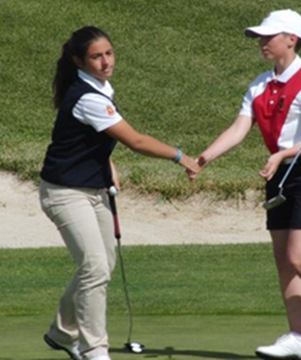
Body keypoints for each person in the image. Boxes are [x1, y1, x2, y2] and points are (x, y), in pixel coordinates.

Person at [189, 9, 301, 360]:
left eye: (268, 37)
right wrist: (205, 157)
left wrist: (285, 154)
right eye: (260, 37)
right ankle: (299, 337)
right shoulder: (259, 84)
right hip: (282, 175)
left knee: (299, 257)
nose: (262, 43)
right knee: (285, 261)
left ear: (291, 40)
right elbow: (240, 128)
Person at [39, 26, 200, 360]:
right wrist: (179, 155)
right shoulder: (87, 96)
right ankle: (94, 349)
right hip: (64, 193)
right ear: (79, 61)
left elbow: (86, 139)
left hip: (93, 188)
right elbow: (136, 140)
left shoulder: (99, 88)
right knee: (95, 267)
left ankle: (61, 332)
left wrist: (106, 160)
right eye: (96, 57)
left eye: (108, 53)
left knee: (102, 263)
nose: (105, 62)